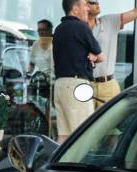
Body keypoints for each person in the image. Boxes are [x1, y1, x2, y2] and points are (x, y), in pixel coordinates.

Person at [53, 0, 103, 142]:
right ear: (75, 9)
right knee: (82, 134)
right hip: (77, 86)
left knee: (63, 135)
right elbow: (101, 56)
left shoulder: (58, 29)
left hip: (60, 84)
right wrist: (93, 55)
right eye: (85, 6)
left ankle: (56, 164)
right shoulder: (81, 27)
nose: (88, 9)